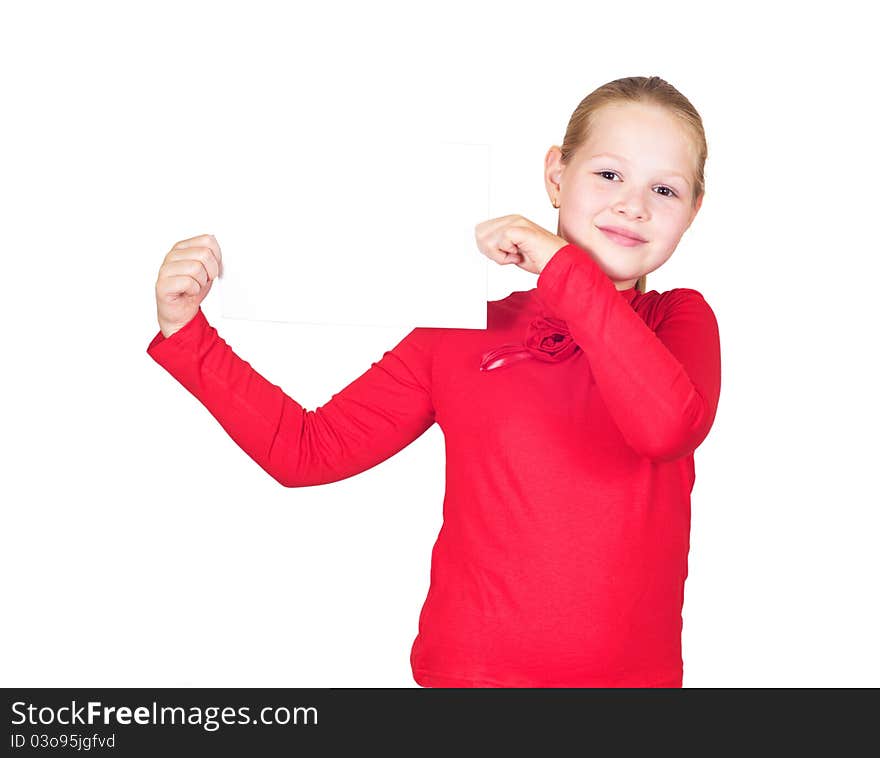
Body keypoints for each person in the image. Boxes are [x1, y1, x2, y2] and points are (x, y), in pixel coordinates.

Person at [147, 75, 721, 688]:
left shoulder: (677, 321)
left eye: (665, 188)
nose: (634, 204)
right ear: (556, 174)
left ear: (693, 210)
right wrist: (188, 334)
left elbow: (665, 428)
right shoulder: (459, 332)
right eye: (609, 174)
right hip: (467, 683)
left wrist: (559, 265)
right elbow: (307, 451)